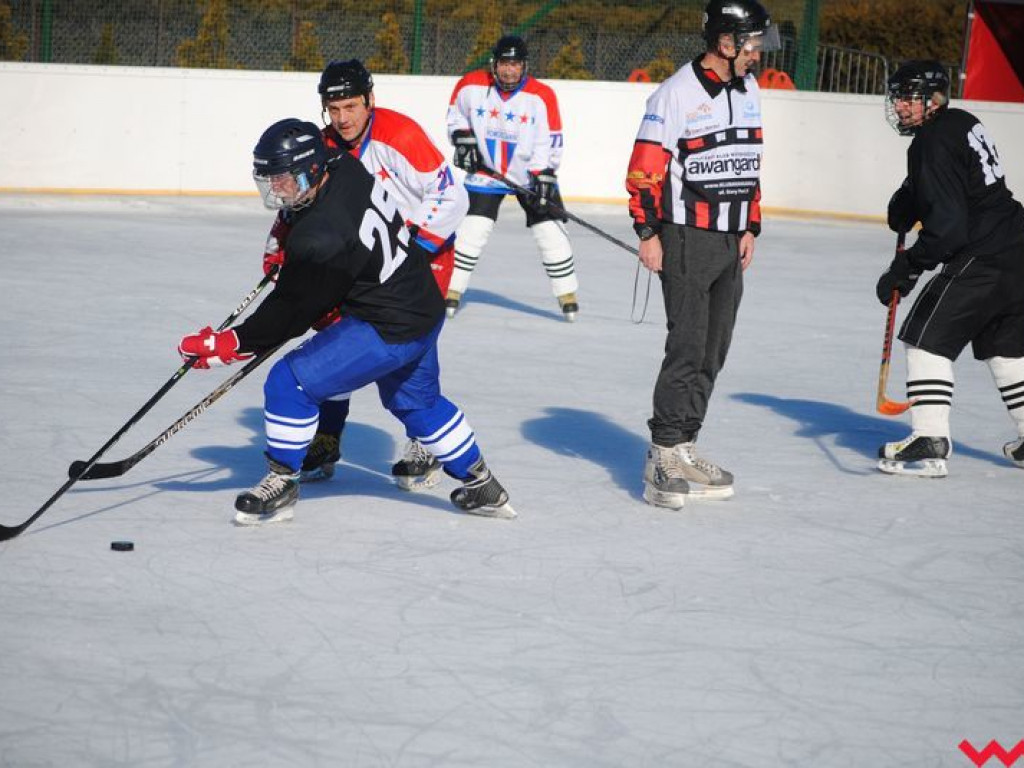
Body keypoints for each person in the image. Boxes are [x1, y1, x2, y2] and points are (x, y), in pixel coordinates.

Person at [179, 118, 515, 525]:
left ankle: (281, 482)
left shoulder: (320, 238)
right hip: (424, 303)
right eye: (269, 179)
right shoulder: (343, 164)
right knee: (416, 402)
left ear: (311, 169)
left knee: (290, 382)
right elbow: (320, 236)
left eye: (284, 179)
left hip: (386, 324)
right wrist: (292, 233)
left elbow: (291, 312)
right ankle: (483, 485)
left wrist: (233, 342)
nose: (276, 189)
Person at [262, 59, 468, 491]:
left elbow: (452, 195)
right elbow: (298, 200)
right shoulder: (320, 144)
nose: (343, 119)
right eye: (334, 109)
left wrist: (410, 246)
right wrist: (280, 242)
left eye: (352, 107)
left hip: (422, 254)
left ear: (370, 100)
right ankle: (328, 437)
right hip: (361, 260)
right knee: (337, 337)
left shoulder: (400, 135)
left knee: (409, 342)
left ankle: (423, 440)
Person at [625, 0, 778, 509]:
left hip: (731, 241)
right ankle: (662, 455)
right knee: (687, 346)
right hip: (686, 237)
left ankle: (685, 443)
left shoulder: (749, 89)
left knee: (715, 349)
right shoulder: (675, 94)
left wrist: (750, 223)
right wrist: (648, 232)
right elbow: (645, 167)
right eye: (751, 44)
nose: (757, 54)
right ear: (724, 42)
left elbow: (747, 161)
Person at [875, 60, 1024, 477]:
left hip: (983, 255)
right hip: (1016, 247)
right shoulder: (961, 121)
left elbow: (948, 230)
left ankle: (929, 439)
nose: (899, 106)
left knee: (925, 339)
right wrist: (911, 196)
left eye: (908, 97)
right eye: (897, 97)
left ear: (932, 99)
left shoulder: (929, 143)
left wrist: (907, 267)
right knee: (1006, 348)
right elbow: (958, 183)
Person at [444, 34, 580, 321]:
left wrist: (545, 175)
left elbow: (550, 139)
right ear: (494, 65)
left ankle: (567, 295)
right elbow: (455, 116)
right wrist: (463, 139)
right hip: (487, 173)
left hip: (529, 177)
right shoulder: (471, 85)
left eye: (515, 64)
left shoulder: (541, 96)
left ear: (525, 66)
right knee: (472, 230)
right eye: (504, 64)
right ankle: (451, 291)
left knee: (551, 231)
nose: (509, 71)